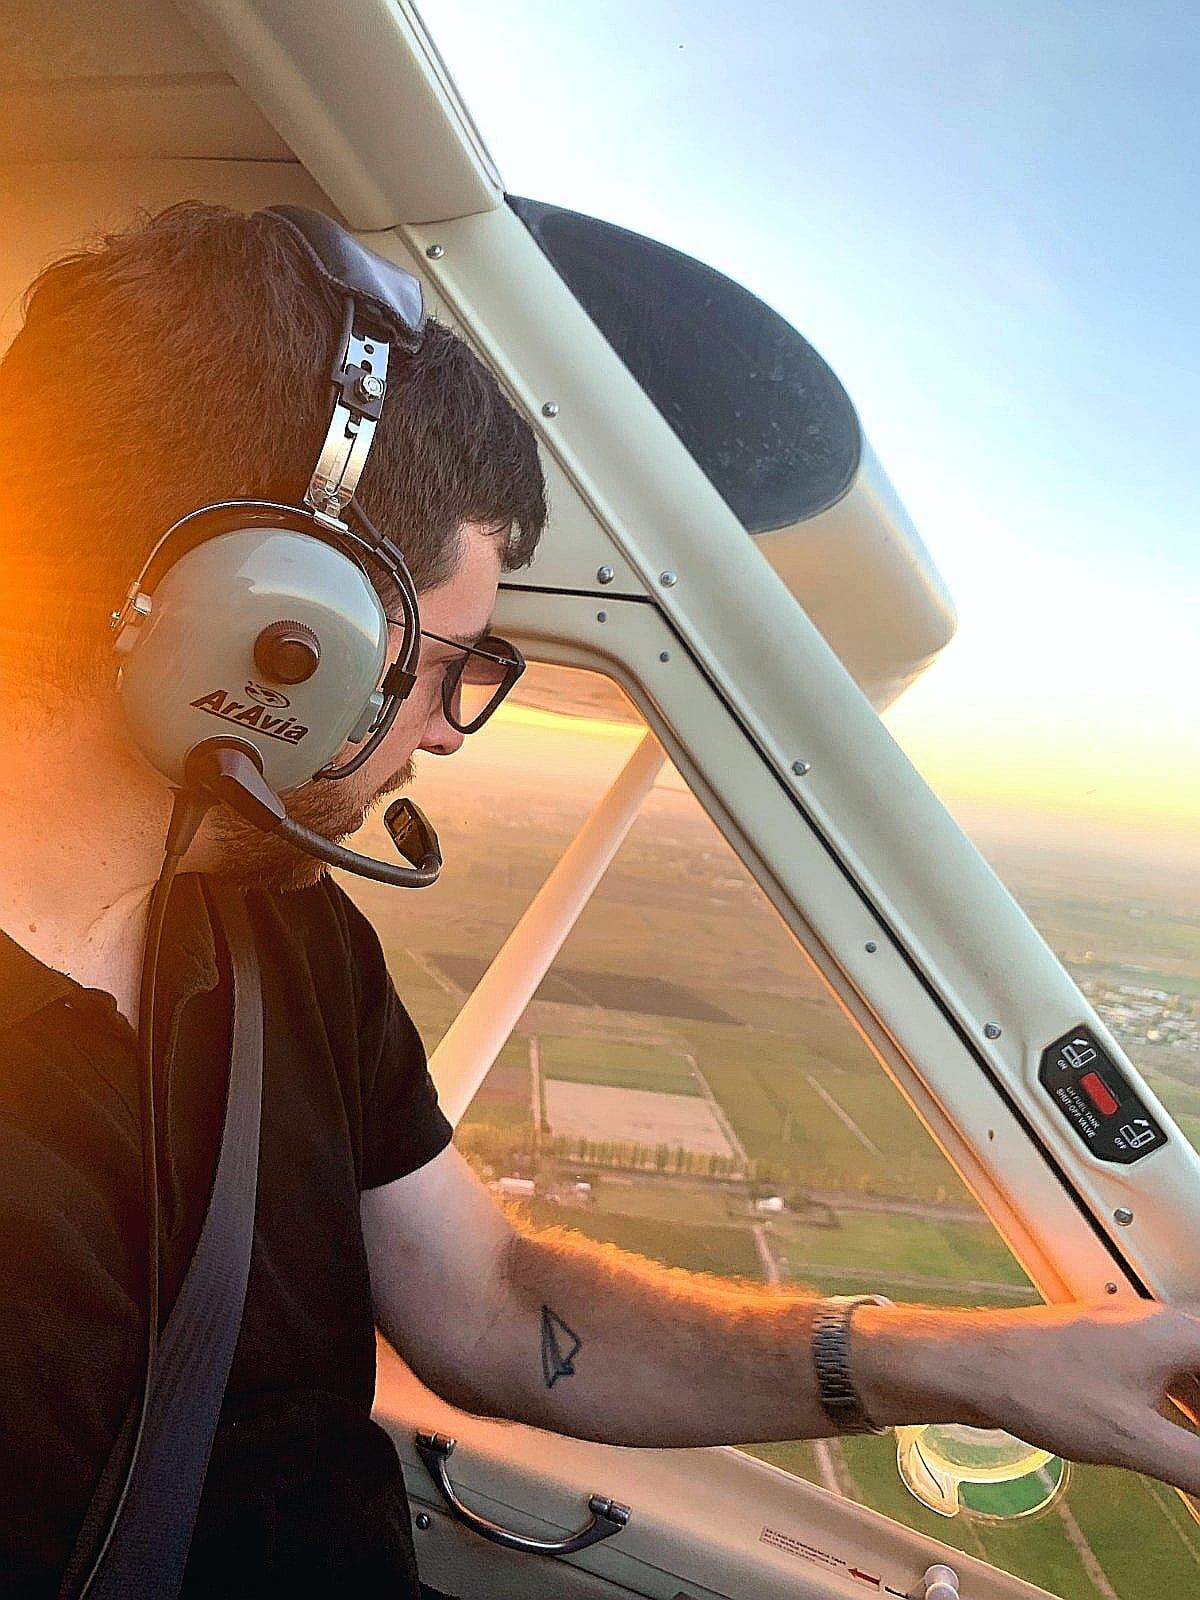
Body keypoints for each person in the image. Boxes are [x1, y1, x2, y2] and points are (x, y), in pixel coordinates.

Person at [0, 203, 1197, 1598]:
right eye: (446, 662)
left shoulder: (281, 938)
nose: (446, 732)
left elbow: (494, 1306)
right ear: (269, 632)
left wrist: (969, 1367)